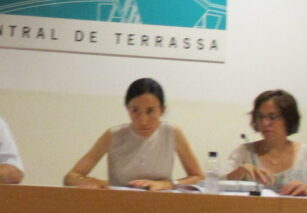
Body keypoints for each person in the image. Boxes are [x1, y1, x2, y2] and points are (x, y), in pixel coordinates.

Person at [63, 77, 203, 190]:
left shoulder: (171, 133)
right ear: (127, 109)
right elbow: (71, 177)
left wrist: (167, 184)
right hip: (119, 204)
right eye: (135, 111)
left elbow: (198, 177)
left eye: (150, 111)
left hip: (160, 203)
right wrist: (99, 183)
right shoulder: (114, 135)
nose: (143, 121)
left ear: (162, 110)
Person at [222, 89, 307, 198]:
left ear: (288, 119)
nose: (265, 123)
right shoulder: (244, 152)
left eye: (272, 117)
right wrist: (237, 173)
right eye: (260, 117)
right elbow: (213, 185)